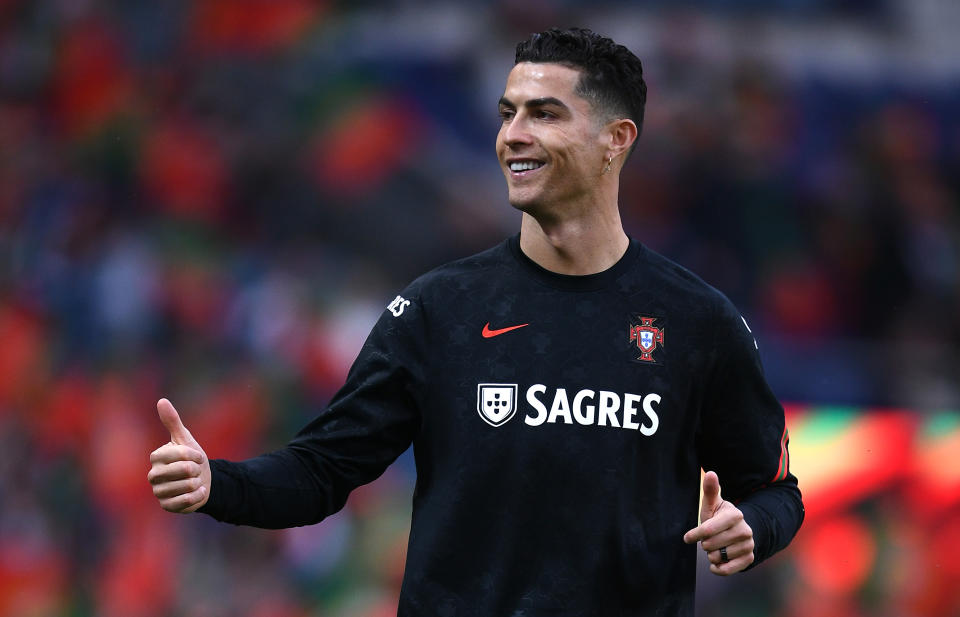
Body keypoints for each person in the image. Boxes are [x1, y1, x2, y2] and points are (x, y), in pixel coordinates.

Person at [148, 27, 803, 616]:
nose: (513, 134)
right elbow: (321, 471)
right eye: (508, 113)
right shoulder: (439, 310)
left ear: (616, 140)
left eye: (544, 114)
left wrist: (750, 525)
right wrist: (219, 483)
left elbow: (776, 491)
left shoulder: (697, 321)